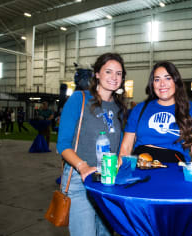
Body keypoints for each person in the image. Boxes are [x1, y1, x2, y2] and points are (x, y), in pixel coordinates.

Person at [57, 52, 128, 236]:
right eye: (108, 71)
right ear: (97, 73)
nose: (114, 77)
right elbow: (63, 145)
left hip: (107, 181)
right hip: (80, 179)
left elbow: (119, 147)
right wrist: (82, 166)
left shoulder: (119, 108)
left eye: (118, 73)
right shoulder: (79, 99)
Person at [119, 61, 192, 168]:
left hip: (175, 168)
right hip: (141, 167)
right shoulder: (140, 109)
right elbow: (126, 147)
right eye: (157, 79)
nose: (162, 84)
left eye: (168, 78)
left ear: (176, 81)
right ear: (152, 84)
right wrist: (120, 169)